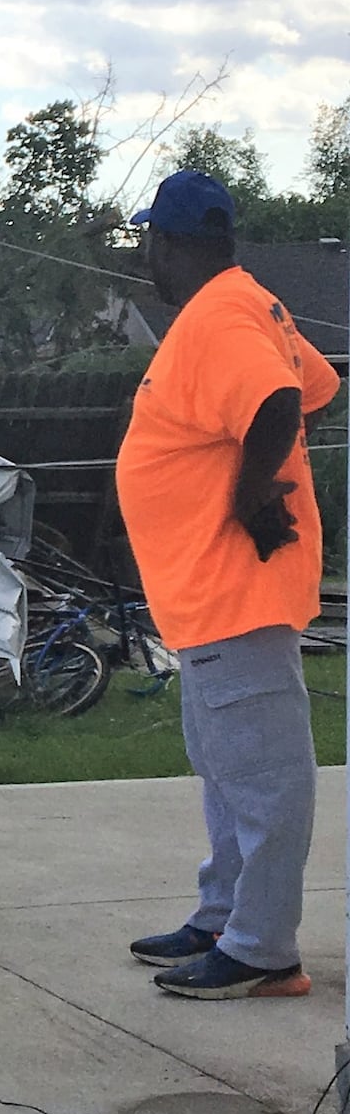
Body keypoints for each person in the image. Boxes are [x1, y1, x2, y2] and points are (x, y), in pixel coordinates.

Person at [116, 169, 340, 1000]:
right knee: (225, 766)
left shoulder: (218, 313)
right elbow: (318, 385)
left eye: (148, 242)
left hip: (234, 586)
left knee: (264, 772)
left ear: (170, 244)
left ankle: (261, 947)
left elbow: (283, 398)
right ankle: (223, 914)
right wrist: (259, 470)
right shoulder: (247, 302)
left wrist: (253, 495)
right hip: (207, 595)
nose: (145, 259)